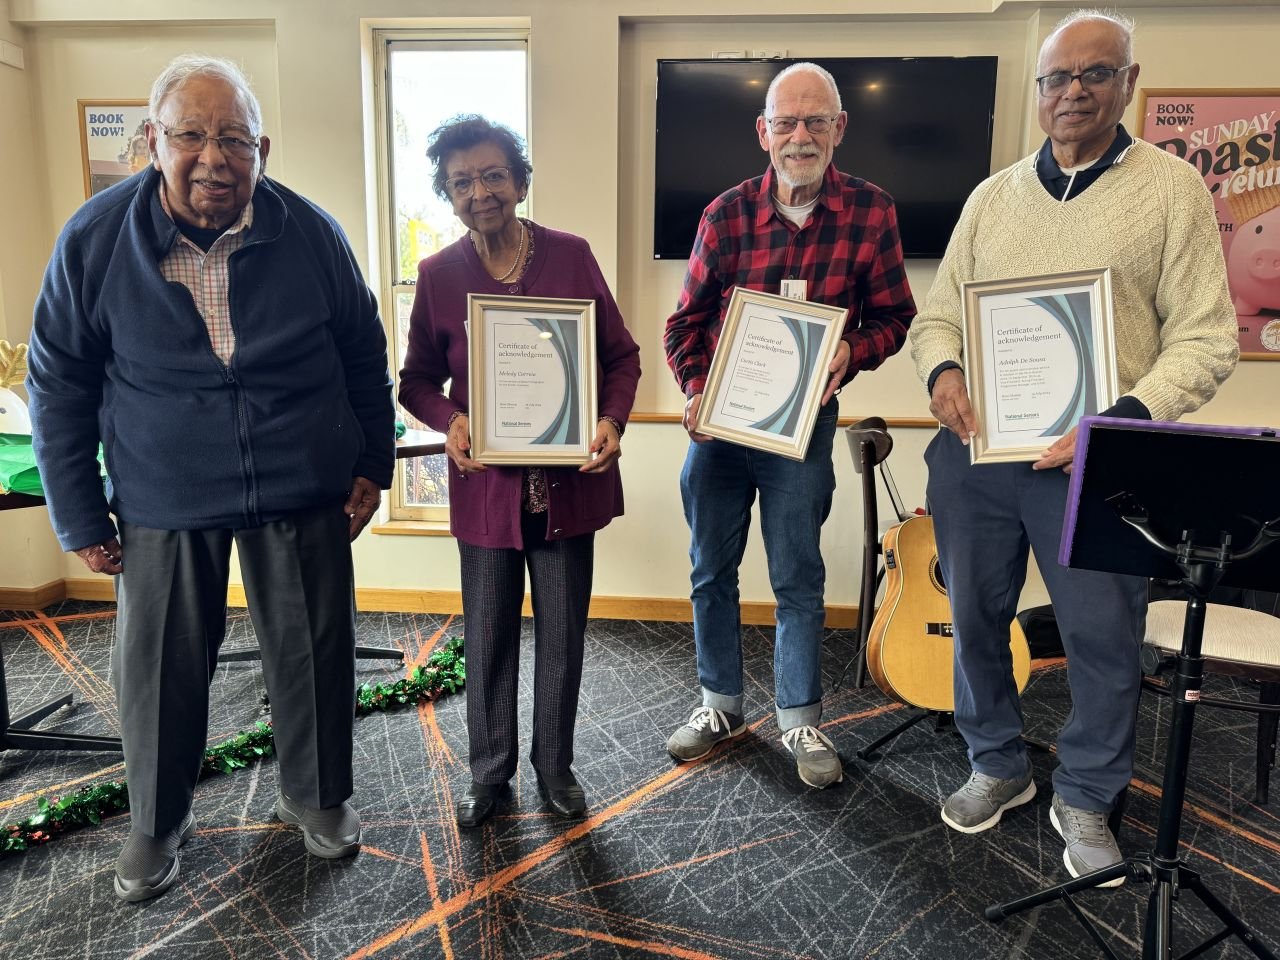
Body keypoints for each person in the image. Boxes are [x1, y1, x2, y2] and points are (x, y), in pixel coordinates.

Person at [26, 55, 395, 901]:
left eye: (233, 138)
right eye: (191, 134)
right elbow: (59, 385)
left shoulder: (313, 232)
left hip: (299, 481)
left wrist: (372, 461)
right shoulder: (92, 239)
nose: (213, 158)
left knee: (312, 652)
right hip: (163, 489)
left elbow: (361, 352)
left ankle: (318, 795)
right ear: (151, 141)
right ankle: (158, 819)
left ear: (262, 148)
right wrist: (79, 511)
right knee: (156, 666)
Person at [909, 9, 1238, 883]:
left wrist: (1120, 416)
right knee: (973, 616)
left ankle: (1088, 795)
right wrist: (943, 372)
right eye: (1057, 78)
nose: (1074, 92)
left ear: (1129, 82)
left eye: (1096, 74)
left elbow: (1208, 340)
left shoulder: (1172, 192)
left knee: (1101, 636)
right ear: (1040, 90)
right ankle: (999, 764)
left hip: (1100, 464)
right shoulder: (992, 197)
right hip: (979, 456)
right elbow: (936, 314)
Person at [663, 63, 916, 788]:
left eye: (815, 121)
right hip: (719, 431)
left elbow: (895, 318)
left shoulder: (873, 212)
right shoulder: (727, 214)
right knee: (710, 568)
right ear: (763, 132)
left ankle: (800, 718)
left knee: (798, 575)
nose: (799, 136)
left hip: (803, 430)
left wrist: (850, 349)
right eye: (786, 121)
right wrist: (695, 388)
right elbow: (686, 322)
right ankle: (720, 704)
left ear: (839, 128)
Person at [398, 115, 640, 828]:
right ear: (447, 193)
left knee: (563, 637)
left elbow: (619, 357)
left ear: (521, 180)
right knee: (490, 635)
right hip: (488, 495)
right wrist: (453, 422)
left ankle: (554, 766)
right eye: (462, 181)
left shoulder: (571, 256)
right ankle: (489, 772)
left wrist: (611, 421)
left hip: (568, 489)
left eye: (494, 175)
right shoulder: (440, 276)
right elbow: (414, 381)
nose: (480, 192)